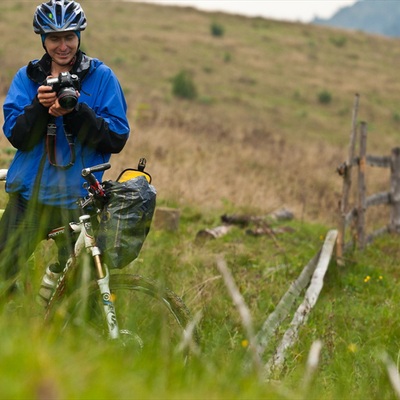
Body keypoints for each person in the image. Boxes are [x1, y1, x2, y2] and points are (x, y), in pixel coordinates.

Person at [0, 0, 130, 301]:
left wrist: (76, 110)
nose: (63, 46)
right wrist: (39, 107)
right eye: (54, 38)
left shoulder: (102, 76)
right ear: (42, 39)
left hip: (78, 202)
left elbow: (116, 138)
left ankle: (65, 334)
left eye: (69, 37)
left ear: (79, 36)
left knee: (81, 293)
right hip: (28, 199)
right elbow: (17, 137)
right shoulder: (28, 77)